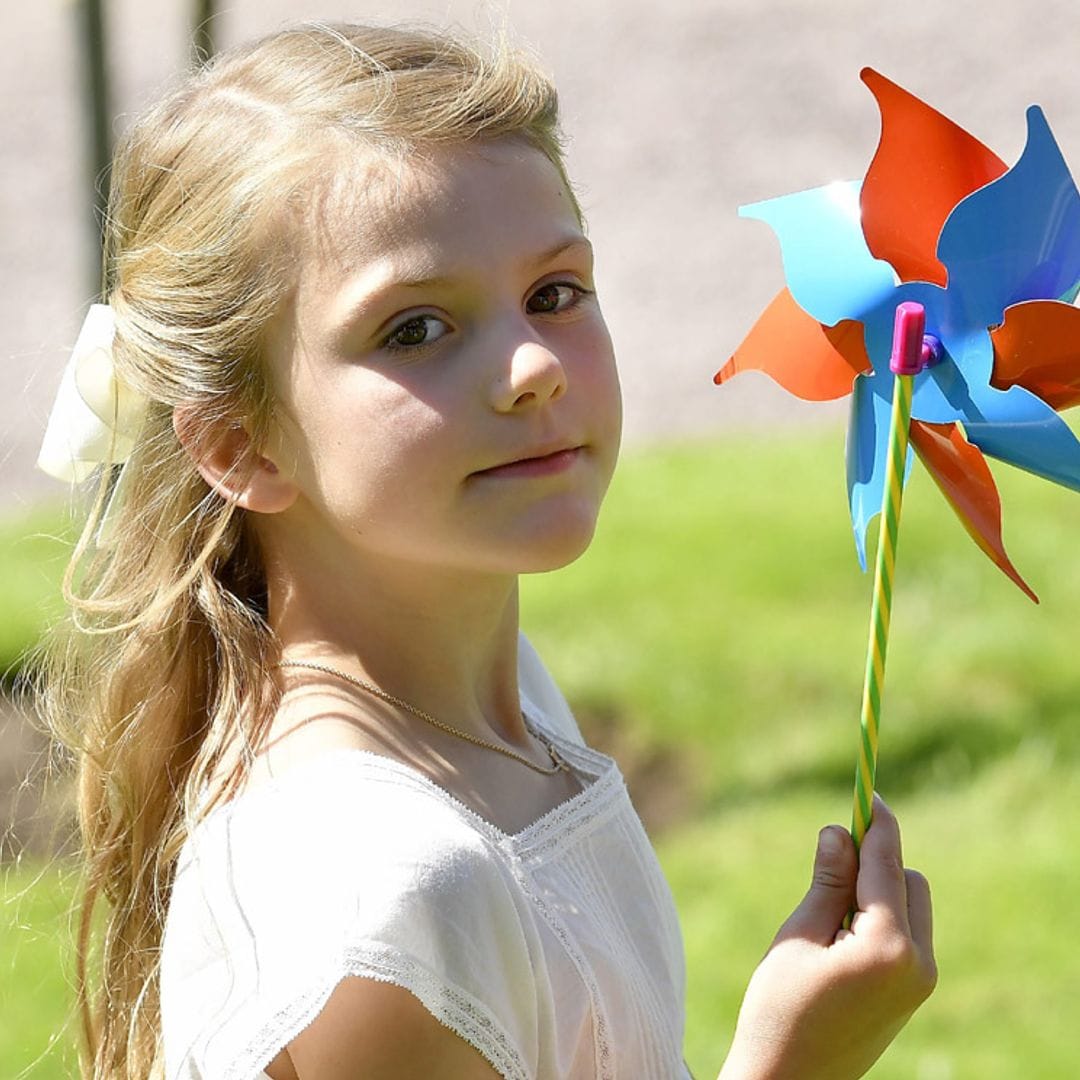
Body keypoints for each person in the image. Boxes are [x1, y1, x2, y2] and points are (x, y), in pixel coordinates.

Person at [36, 21, 936, 1080]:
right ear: (238, 443)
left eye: (555, 294)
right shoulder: (385, 893)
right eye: (415, 328)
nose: (532, 367)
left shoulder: (507, 702)